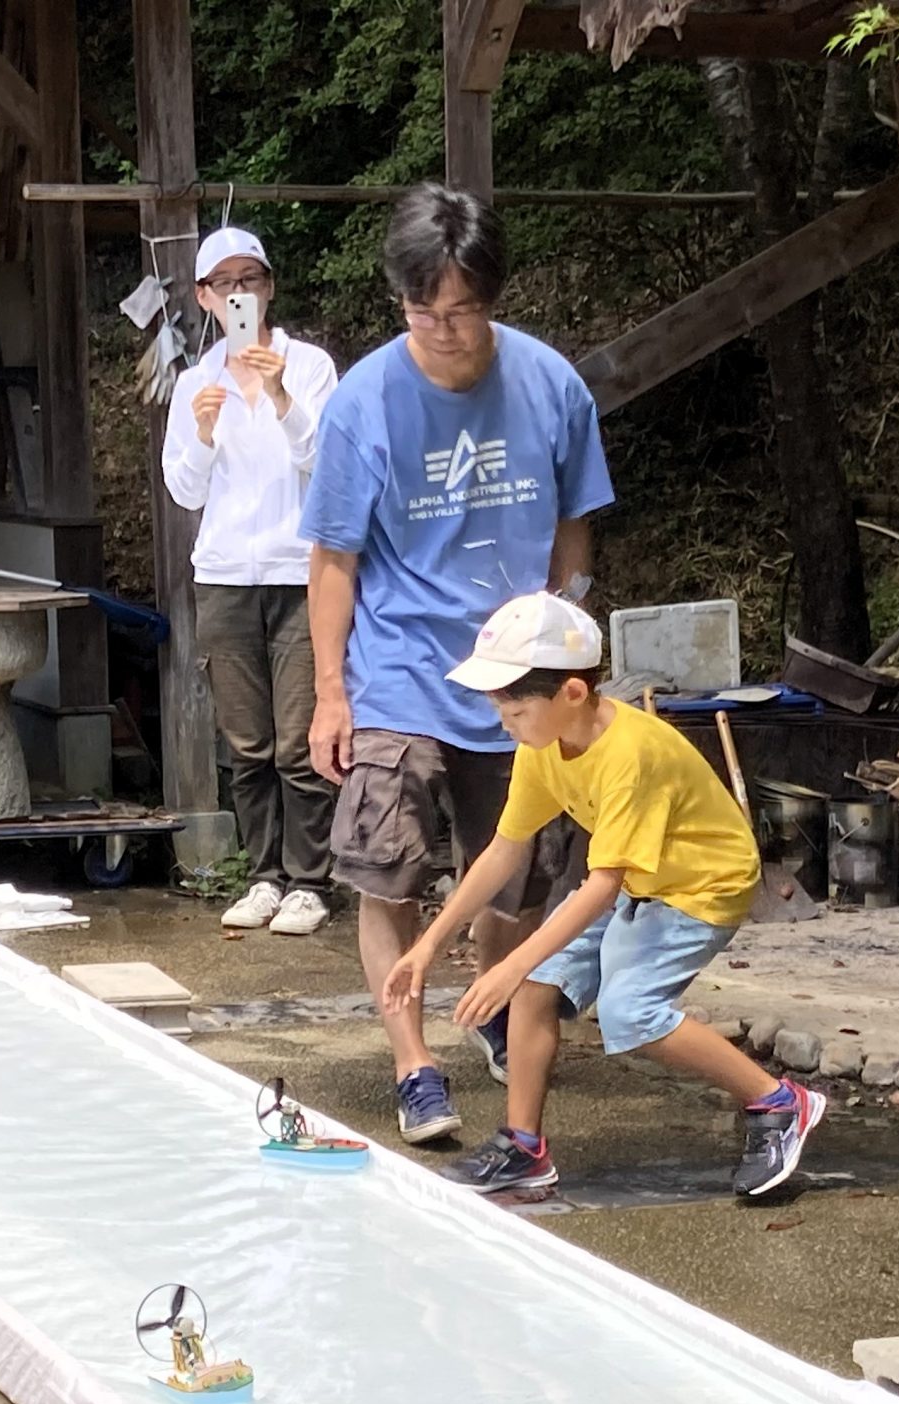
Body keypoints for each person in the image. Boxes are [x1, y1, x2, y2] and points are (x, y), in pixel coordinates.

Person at [302, 184, 611, 1145]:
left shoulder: (553, 386)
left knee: (513, 879)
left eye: (463, 308)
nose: (442, 329)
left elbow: (576, 524)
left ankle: (489, 1003)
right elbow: (333, 559)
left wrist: (569, 624)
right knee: (384, 871)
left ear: (493, 297)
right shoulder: (362, 405)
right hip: (399, 668)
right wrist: (330, 693)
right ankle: (414, 1062)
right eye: (422, 308)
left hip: (514, 675)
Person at [382, 593, 830, 1197]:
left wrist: (512, 963)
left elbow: (601, 885)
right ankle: (523, 1147)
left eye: (513, 709)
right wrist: (426, 946)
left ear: (570, 693)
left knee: (629, 1015)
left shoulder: (630, 754)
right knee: (538, 987)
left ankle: (780, 1103)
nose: (503, 723)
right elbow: (504, 849)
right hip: (640, 879)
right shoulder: (543, 746)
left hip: (702, 886)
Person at [162, 225, 342, 936]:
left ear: (269, 287)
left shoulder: (312, 366)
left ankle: (309, 880)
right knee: (246, 742)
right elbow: (182, 490)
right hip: (227, 575)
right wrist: (204, 433)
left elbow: (326, 461)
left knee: (300, 738)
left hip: (301, 572)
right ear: (205, 297)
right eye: (225, 283)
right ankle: (263, 874)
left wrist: (281, 396)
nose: (240, 293)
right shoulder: (195, 383)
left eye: (252, 279)